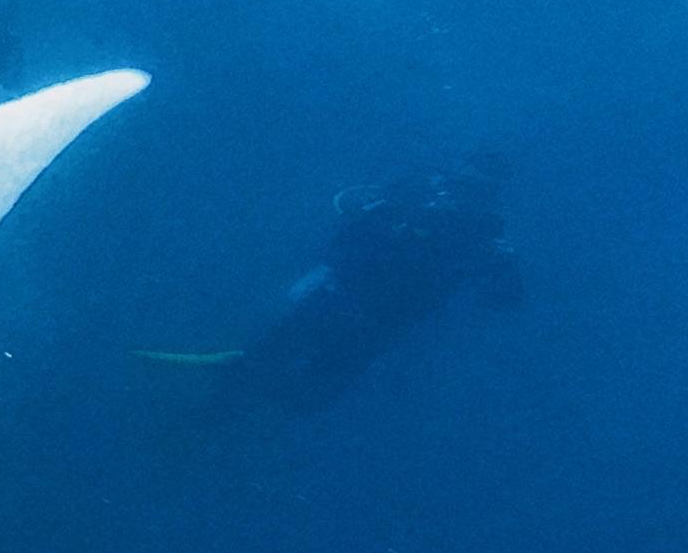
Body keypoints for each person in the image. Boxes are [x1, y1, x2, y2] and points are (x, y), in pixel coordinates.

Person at [154, 156, 521, 414]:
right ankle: (216, 411)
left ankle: (237, 417)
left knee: (309, 392)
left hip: (376, 324)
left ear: (492, 196)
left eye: (480, 191)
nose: (467, 197)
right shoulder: (417, 196)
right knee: (265, 365)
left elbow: (503, 299)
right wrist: (396, 219)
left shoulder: (485, 235)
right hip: (340, 299)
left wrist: (500, 265)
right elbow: (348, 215)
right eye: (466, 185)